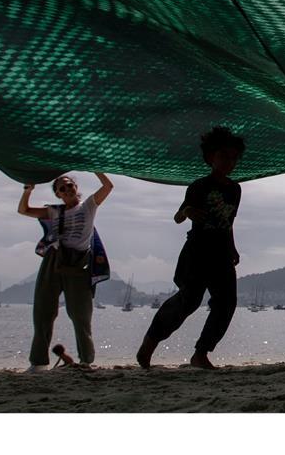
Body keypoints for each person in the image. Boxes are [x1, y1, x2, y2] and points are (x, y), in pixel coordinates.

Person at [136, 126, 245, 370]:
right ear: (210, 158)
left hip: (222, 255)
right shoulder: (198, 186)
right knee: (189, 301)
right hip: (197, 252)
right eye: (224, 156)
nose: (229, 162)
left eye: (233, 157)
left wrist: (233, 248)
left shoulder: (235, 190)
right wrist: (187, 212)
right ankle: (150, 343)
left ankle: (201, 353)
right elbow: (177, 216)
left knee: (227, 302)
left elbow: (229, 222)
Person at [18, 172, 114, 371]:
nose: (68, 189)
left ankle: (86, 360)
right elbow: (24, 210)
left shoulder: (88, 206)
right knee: (43, 311)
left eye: (70, 185)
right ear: (58, 194)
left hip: (79, 263)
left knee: (81, 314)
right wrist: (28, 191)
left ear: (76, 188)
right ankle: (38, 363)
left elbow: (108, 187)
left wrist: (96, 169)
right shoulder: (54, 212)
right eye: (62, 188)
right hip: (54, 261)